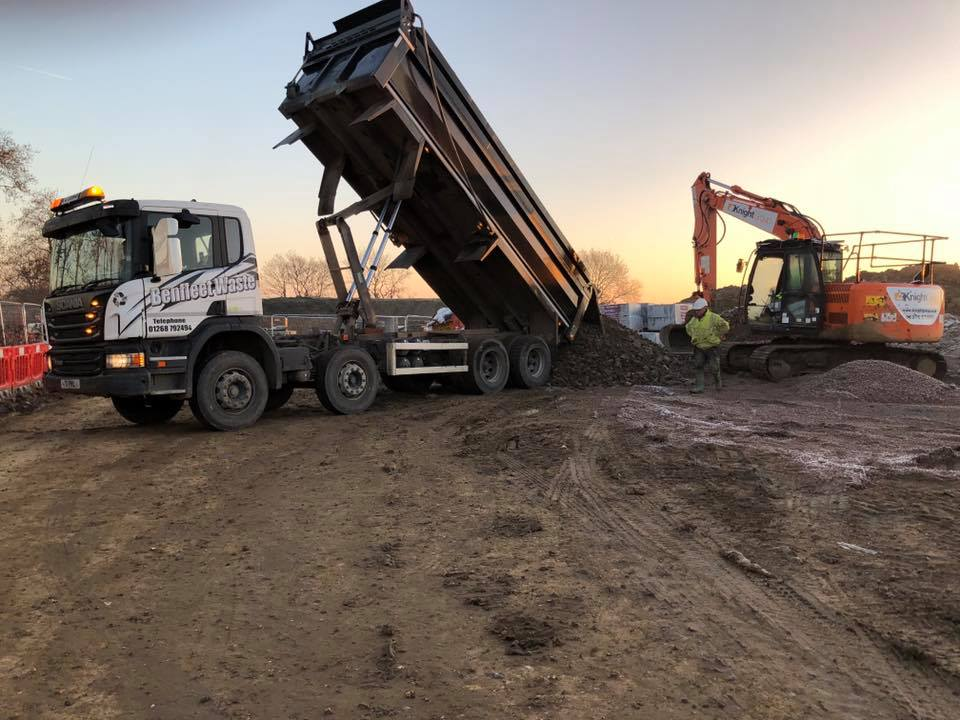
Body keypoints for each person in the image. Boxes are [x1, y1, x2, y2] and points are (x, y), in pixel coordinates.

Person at [685, 297, 730, 393]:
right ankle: (699, 387)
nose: (697, 312)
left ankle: (718, 382)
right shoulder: (694, 319)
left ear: (705, 308)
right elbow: (688, 328)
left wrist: (718, 334)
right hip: (699, 346)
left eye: (698, 310)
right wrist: (694, 336)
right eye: (695, 310)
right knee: (698, 366)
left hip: (711, 347)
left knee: (714, 368)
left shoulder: (714, 318)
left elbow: (725, 326)